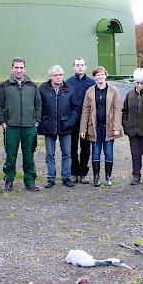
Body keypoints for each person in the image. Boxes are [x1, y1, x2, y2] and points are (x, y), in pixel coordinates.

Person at [0, 57, 42, 192]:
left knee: (29, 155)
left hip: (29, 127)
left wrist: (36, 122)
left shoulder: (32, 86)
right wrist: (3, 123)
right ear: (12, 69)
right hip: (11, 127)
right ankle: (9, 180)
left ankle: (30, 181)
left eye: (21, 67)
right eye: (16, 67)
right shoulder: (4, 86)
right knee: (11, 155)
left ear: (25, 69)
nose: (19, 70)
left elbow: (38, 105)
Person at [80, 66, 122, 187]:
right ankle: (96, 177)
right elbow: (85, 111)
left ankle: (108, 177)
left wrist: (116, 127)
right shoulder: (90, 91)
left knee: (108, 151)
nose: (100, 77)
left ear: (105, 75)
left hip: (109, 126)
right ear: (94, 77)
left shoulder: (113, 90)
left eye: (102, 74)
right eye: (97, 75)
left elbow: (117, 110)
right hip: (94, 127)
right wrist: (83, 129)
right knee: (96, 152)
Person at [38, 65, 78, 188]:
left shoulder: (69, 88)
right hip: (48, 125)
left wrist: (70, 122)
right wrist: (41, 122)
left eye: (60, 74)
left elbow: (75, 108)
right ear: (50, 76)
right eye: (56, 75)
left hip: (65, 126)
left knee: (67, 153)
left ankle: (66, 177)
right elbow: (39, 106)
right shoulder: (43, 88)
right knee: (50, 154)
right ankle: (51, 178)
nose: (58, 77)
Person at [66, 57, 96, 185]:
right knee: (72, 148)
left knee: (85, 148)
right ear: (73, 67)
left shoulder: (91, 83)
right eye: (77, 65)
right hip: (72, 120)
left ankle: (83, 173)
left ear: (86, 66)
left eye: (82, 65)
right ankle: (74, 173)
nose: (79, 67)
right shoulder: (68, 82)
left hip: (87, 121)